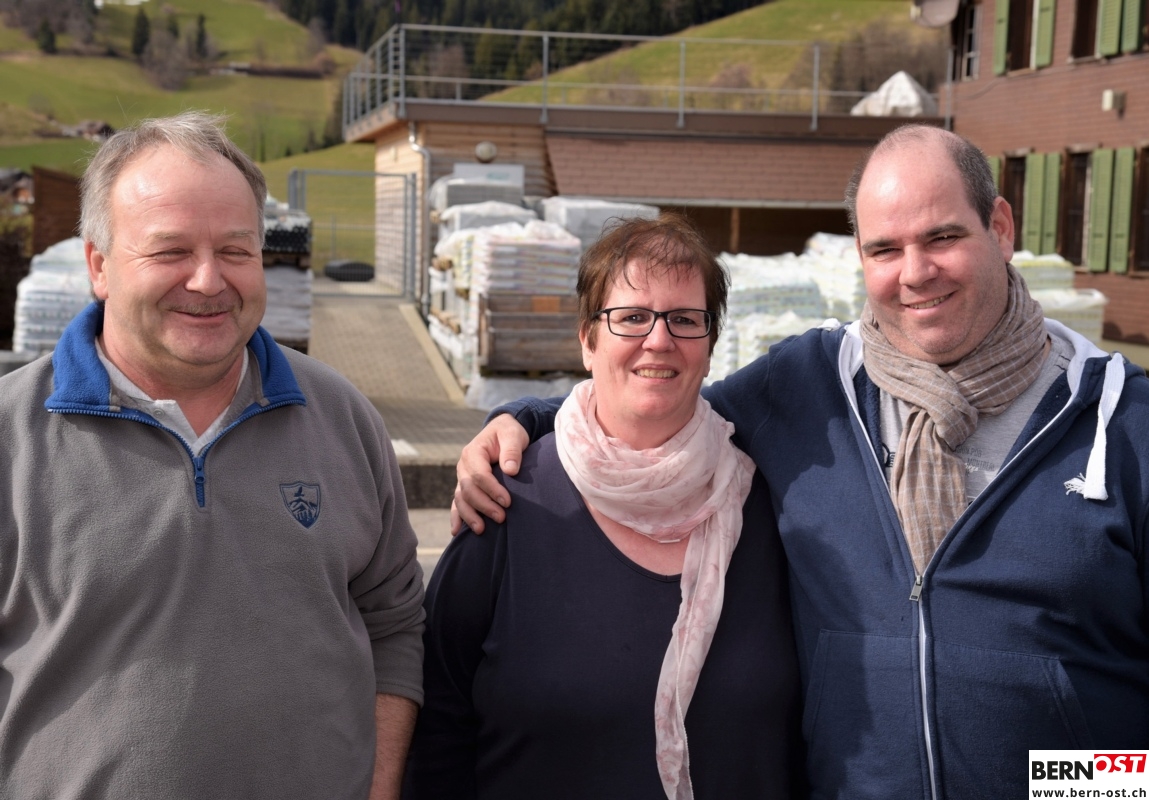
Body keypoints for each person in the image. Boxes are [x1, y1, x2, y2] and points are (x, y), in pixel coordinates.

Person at [453, 125, 1149, 797]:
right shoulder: (810, 385)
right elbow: (663, 400)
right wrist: (524, 421)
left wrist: (1066, 787)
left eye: (941, 237)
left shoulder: (1124, 424)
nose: (915, 273)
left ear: (998, 227)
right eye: (884, 249)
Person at [0, 111, 425, 799]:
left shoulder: (342, 417)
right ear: (99, 265)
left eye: (235, 251)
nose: (207, 280)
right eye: (170, 251)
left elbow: (395, 625)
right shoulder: (10, 436)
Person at [405, 214, 801, 799]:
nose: (659, 339)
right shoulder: (508, 501)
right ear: (588, 341)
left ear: (711, 344)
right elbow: (438, 721)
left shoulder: (767, 506)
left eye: (684, 319)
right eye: (632, 317)